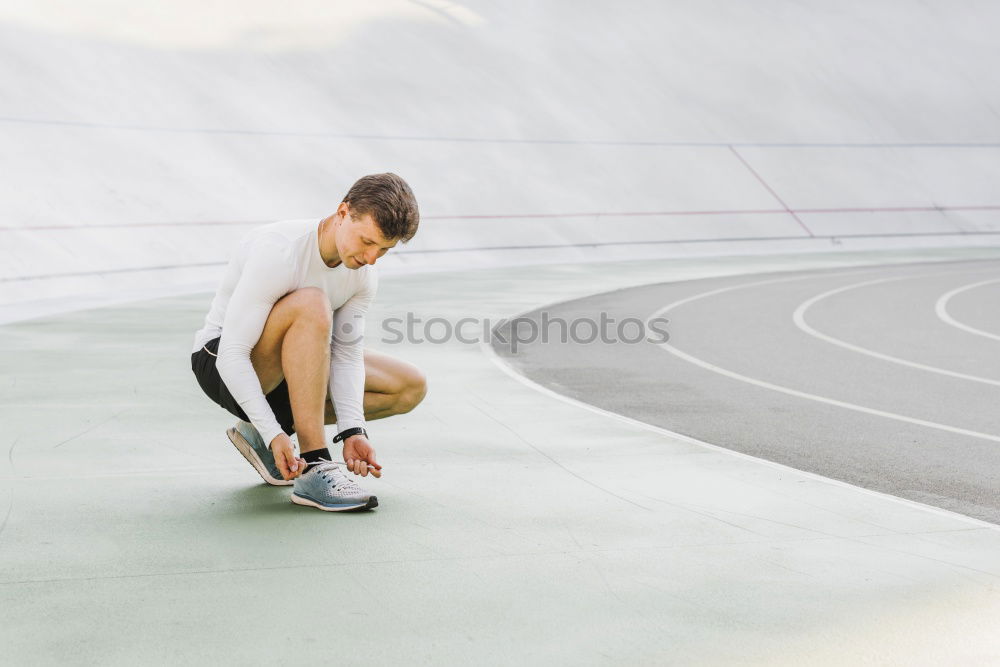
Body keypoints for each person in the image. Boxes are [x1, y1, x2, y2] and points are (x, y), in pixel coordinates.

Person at [190, 173, 427, 512]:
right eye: (366, 241)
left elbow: (345, 356)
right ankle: (315, 465)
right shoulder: (280, 250)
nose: (372, 258)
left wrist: (352, 430)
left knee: (408, 385)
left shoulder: (363, 274)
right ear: (343, 213)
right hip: (222, 365)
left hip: (291, 372)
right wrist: (274, 433)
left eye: (384, 250)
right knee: (311, 304)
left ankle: (259, 436)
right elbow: (232, 354)